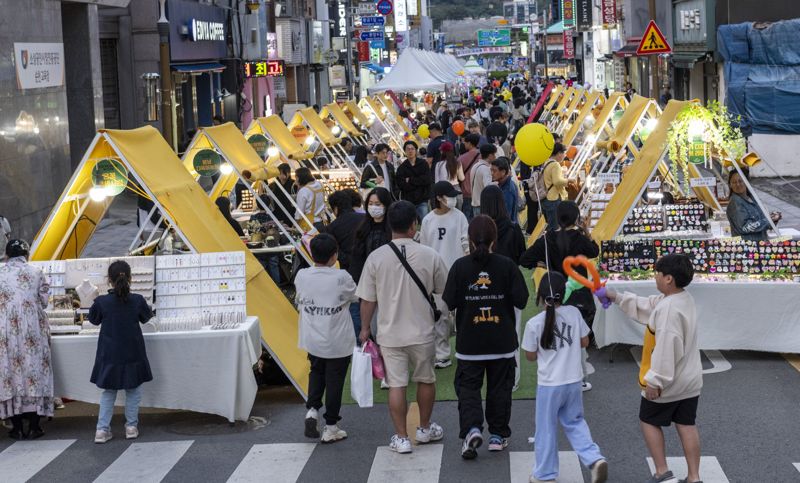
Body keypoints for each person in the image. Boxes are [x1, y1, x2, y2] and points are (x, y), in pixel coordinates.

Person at [595, 254, 701, 483]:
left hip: (669, 382)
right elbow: (650, 305)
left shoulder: (668, 310)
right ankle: (694, 477)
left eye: (657, 274)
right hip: (690, 380)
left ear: (668, 279)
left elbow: (665, 346)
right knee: (686, 424)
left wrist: (656, 381)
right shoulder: (682, 298)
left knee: (648, 419)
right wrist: (615, 296)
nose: (655, 277)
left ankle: (662, 472)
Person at [356, 201, 448, 454]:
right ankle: (425, 427)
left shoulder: (376, 257)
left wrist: (365, 329)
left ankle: (401, 437)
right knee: (426, 380)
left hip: (390, 333)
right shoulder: (430, 255)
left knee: (396, 385)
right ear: (413, 225)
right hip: (423, 332)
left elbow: (367, 300)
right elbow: (443, 290)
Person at [442, 215, 528, 459]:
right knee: (500, 388)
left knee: (468, 388)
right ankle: (498, 435)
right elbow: (522, 299)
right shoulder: (506, 266)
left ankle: (471, 429)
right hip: (502, 341)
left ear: (469, 239)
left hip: (470, 341)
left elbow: (449, 301)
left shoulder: (460, 267)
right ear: (495, 239)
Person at [521, 271, 608, 483]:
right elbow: (585, 342)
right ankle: (594, 458)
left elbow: (530, 356)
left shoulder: (535, 323)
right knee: (575, 422)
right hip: (573, 381)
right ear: (564, 294)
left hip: (549, 384)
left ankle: (545, 473)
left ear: (540, 296)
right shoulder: (573, 314)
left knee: (546, 429)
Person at [519, 201, 599, 391]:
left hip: (554, 293)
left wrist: (543, 265)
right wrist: (586, 231)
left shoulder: (547, 239)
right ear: (576, 218)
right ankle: (578, 379)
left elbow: (524, 259)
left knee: (556, 337)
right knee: (577, 340)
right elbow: (594, 251)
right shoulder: (580, 238)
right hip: (579, 294)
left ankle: (556, 375)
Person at [296, 234, 357, 443]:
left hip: (312, 338)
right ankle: (331, 426)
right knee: (334, 382)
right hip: (337, 340)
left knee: (316, 373)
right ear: (335, 255)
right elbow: (356, 296)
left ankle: (312, 410)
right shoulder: (342, 277)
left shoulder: (302, 275)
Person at [90, 260, 153, 443]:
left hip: (109, 353)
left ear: (108, 280)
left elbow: (94, 320)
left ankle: (102, 430)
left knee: (108, 392)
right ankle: (131, 427)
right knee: (133, 390)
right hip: (133, 352)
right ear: (131, 278)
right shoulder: (137, 300)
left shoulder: (101, 302)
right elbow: (146, 318)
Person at [0, 239, 53, 440]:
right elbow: (45, 301)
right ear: (27, 255)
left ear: (6, 256)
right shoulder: (37, 272)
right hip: (32, 329)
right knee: (33, 372)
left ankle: (15, 427)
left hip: (5, 332)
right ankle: (33, 426)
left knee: (9, 374)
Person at [420, 181, 470, 369]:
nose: (453, 199)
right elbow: (424, 248)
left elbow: (465, 240)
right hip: (436, 275)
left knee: (462, 315)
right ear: (439, 198)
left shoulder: (459, 217)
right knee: (440, 315)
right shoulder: (428, 220)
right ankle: (442, 354)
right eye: (448, 196)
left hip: (458, 272)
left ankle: (464, 350)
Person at [349, 187, 393, 336]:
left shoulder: (392, 229)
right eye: (371, 203)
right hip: (367, 283)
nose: (374, 207)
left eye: (378, 204)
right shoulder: (362, 228)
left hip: (389, 284)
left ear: (386, 205)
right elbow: (356, 257)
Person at [726, 170, 780, 241]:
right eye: (734, 182)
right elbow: (745, 227)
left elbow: (762, 221)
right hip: (747, 247)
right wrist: (768, 220)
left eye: (740, 181)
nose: (738, 184)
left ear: (746, 182)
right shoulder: (735, 203)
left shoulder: (752, 198)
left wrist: (773, 219)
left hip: (760, 244)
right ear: (730, 185)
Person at [479, 185, 526, 264]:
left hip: (485, 274)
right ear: (501, 202)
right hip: (509, 273)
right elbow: (522, 256)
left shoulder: (477, 229)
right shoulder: (513, 228)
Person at [324, 190, 365, 274]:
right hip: (367, 264)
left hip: (347, 268)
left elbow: (334, 250)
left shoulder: (332, 227)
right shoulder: (365, 218)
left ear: (335, 208)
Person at [396, 140, 432, 221]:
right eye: (408, 149)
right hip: (409, 200)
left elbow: (427, 180)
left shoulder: (423, 163)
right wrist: (419, 181)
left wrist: (411, 180)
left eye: (412, 149)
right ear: (405, 151)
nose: (410, 151)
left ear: (416, 151)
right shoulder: (402, 168)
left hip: (422, 199)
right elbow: (401, 185)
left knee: (425, 223)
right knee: (410, 225)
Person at [541, 143, 569, 232]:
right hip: (554, 199)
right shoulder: (555, 164)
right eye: (564, 153)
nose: (565, 156)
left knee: (551, 226)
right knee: (555, 228)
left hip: (547, 198)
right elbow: (557, 182)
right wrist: (569, 180)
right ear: (559, 153)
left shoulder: (547, 162)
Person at [458, 134, 483, 219]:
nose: (464, 144)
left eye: (465, 142)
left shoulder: (462, 158)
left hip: (466, 191)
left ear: (470, 143)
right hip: (480, 191)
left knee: (466, 216)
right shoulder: (483, 156)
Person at [434, 142, 465, 209]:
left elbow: (437, 182)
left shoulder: (438, 164)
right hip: (456, 189)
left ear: (443, 152)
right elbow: (462, 178)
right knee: (457, 212)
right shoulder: (457, 163)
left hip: (443, 190)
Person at [294, 167, 326, 232]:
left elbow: (299, 214)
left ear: (298, 178)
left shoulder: (303, 191)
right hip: (322, 222)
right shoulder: (320, 184)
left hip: (309, 225)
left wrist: (294, 225)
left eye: (296, 178)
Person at [490, 157, 520, 223]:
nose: (492, 173)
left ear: (503, 172)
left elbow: (505, 216)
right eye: (491, 170)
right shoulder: (505, 184)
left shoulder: (507, 190)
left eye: (494, 171)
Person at [470, 144, 497, 217]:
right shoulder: (486, 169)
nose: (495, 156)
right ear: (490, 155)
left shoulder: (475, 166)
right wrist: (498, 182)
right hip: (482, 206)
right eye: (494, 154)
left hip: (475, 203)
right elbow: (488, 187)